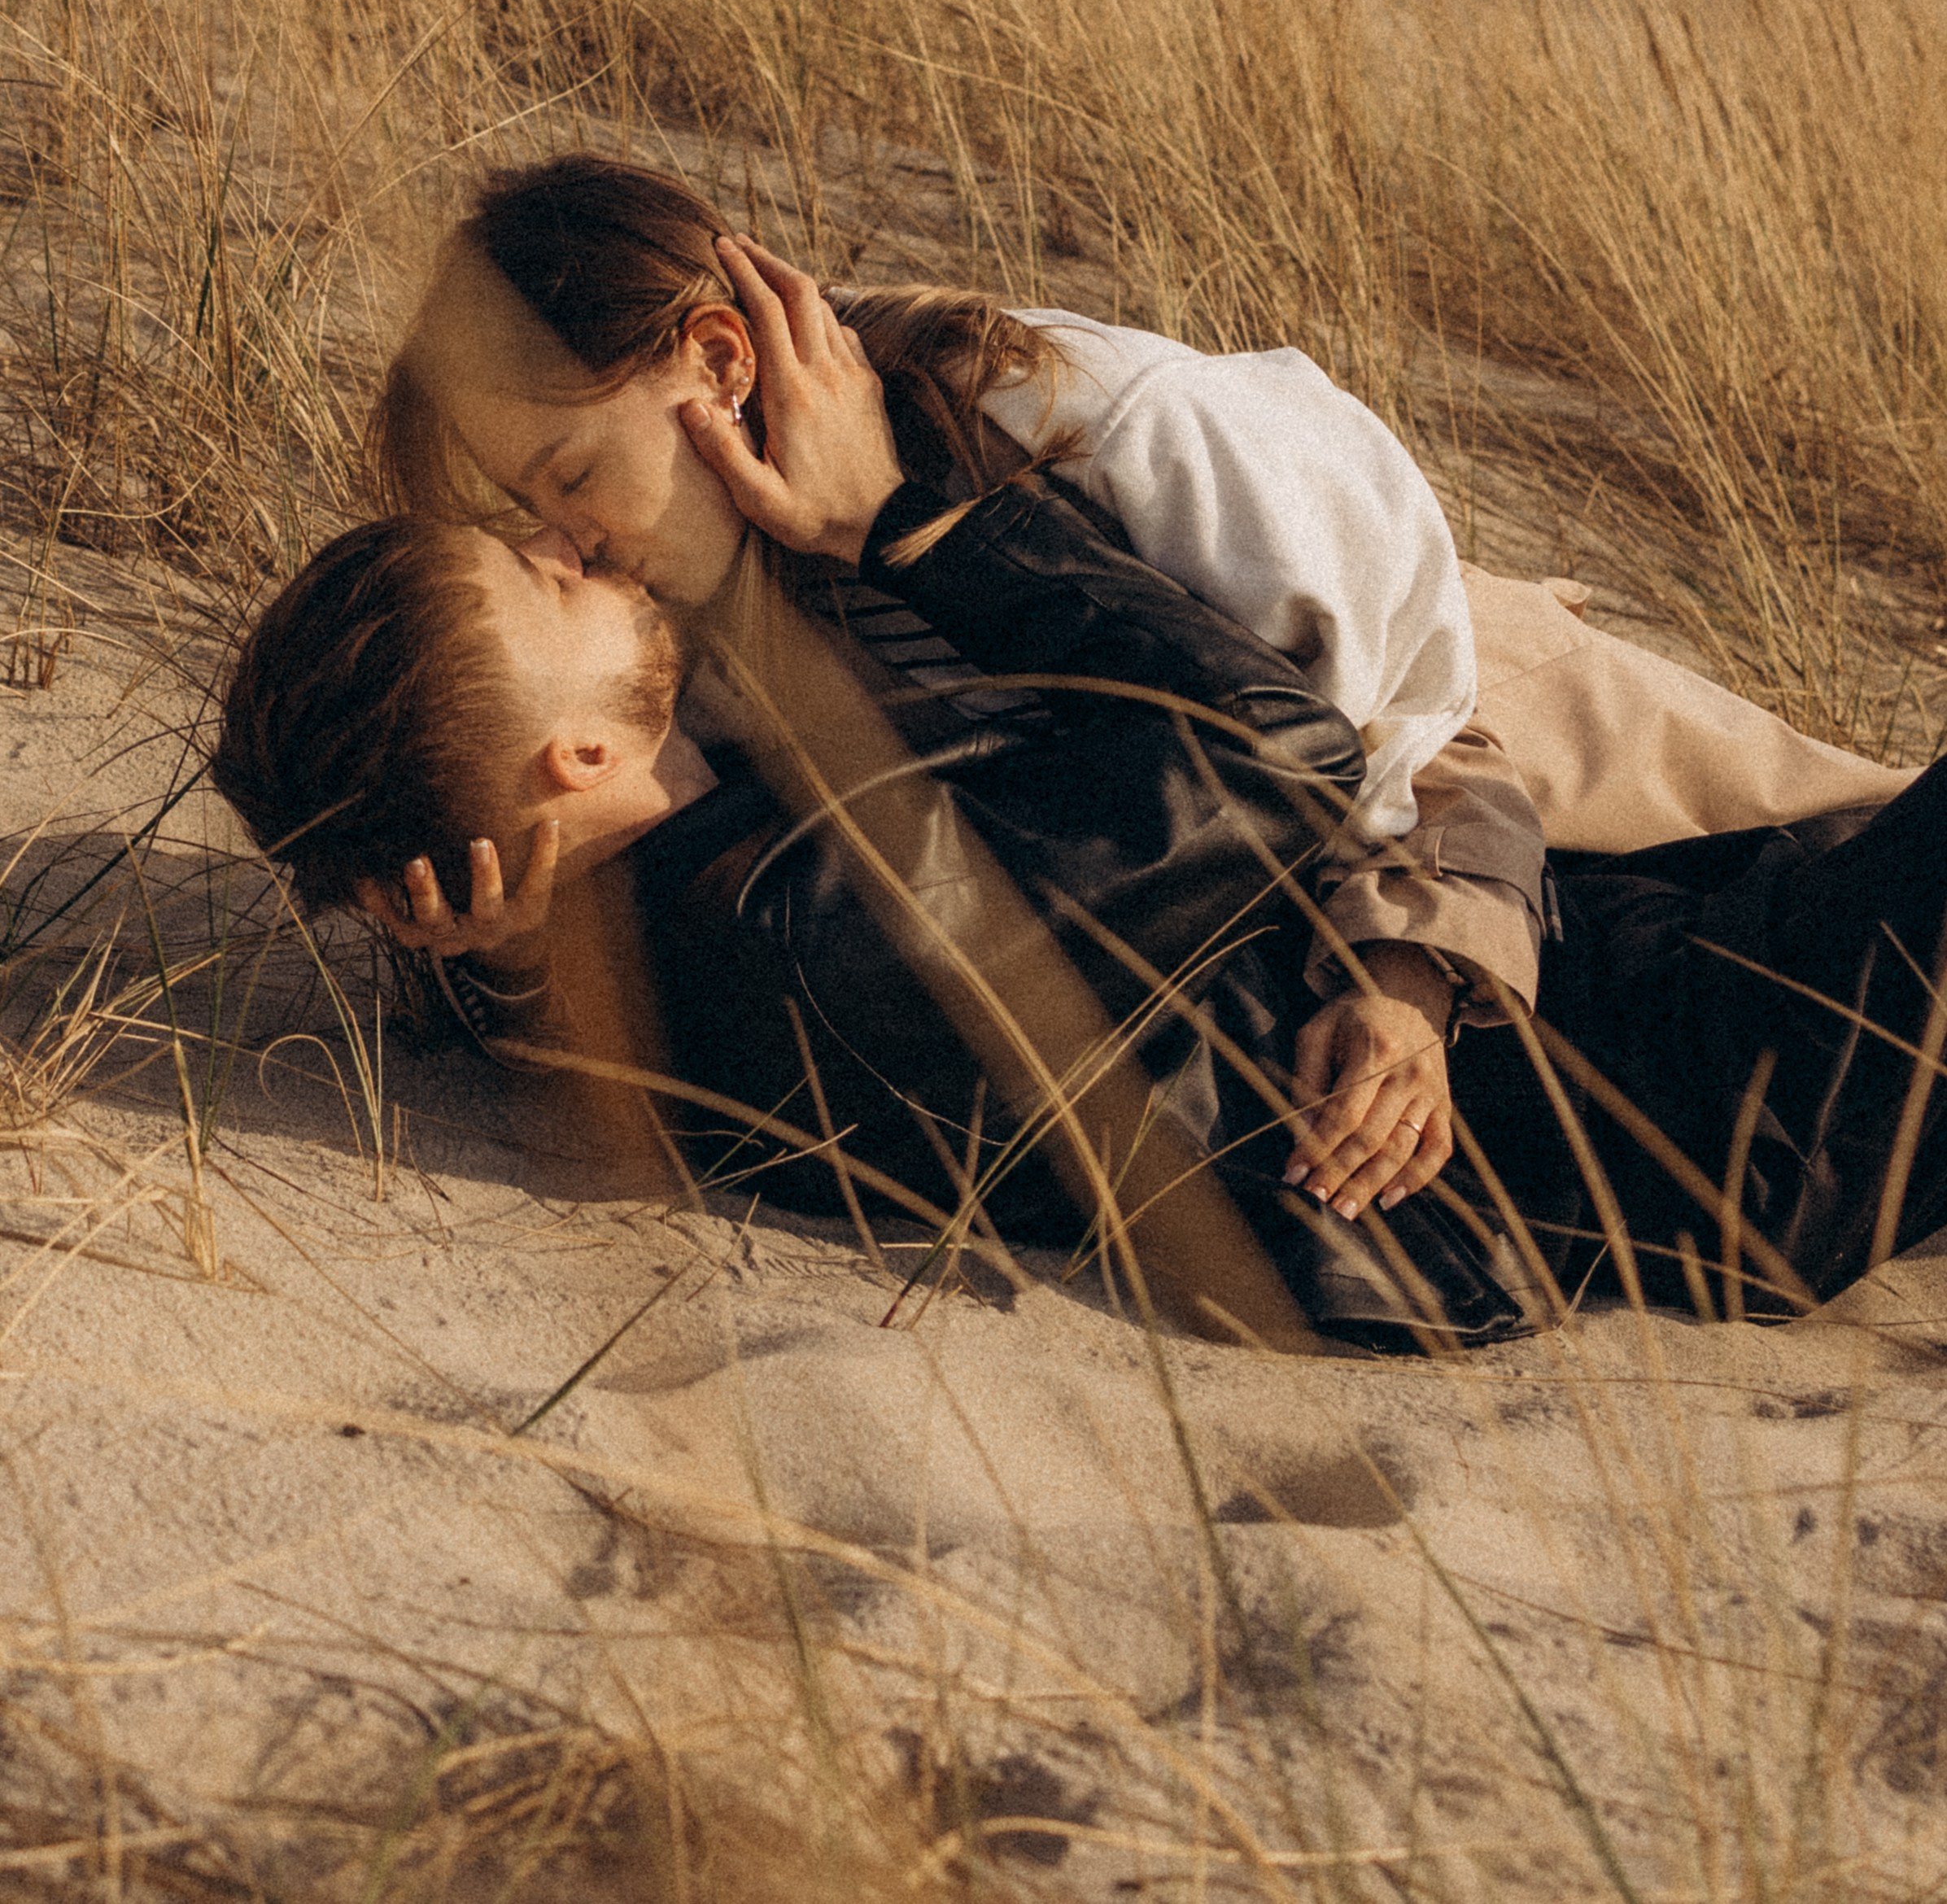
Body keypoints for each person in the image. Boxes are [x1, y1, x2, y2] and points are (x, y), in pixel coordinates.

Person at [212, 409, 1947, 1352]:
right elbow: (1276, 754)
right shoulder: (827, 943)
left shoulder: (644, 916)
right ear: (574, 764)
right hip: (1702, 1104)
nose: (582, 553)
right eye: (550, 579)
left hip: (1652, 965)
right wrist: (916, 520)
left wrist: (499, 963)